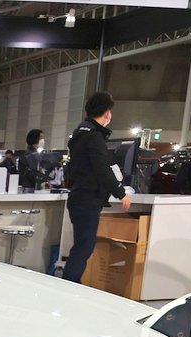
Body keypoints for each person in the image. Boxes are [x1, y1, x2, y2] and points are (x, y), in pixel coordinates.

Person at [62, 91, 131, 283]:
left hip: (79, 196)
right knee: (84, 246)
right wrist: (121, 193)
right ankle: (69, 284)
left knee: (83, 245)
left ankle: (70, 283)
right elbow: (102, 168)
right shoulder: (93, 137)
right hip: (87, 198)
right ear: (107, 113)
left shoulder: (81, 134)